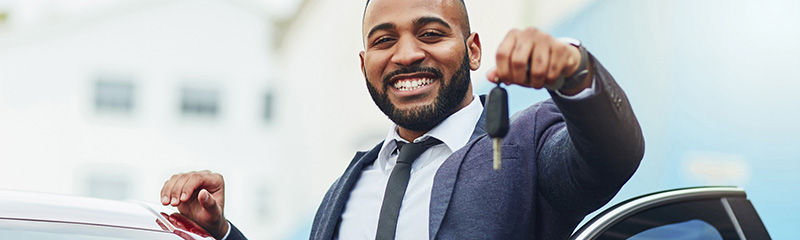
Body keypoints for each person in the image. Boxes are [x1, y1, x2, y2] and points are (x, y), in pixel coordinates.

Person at [160, 0, 645, 239]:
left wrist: (576, 73)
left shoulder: (525, 146)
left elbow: (612, 156)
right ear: (365, 62)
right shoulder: (350, 183)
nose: (407, 54)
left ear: (473, 51)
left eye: (431, 33)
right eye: (384, 40)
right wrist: (221, 232)